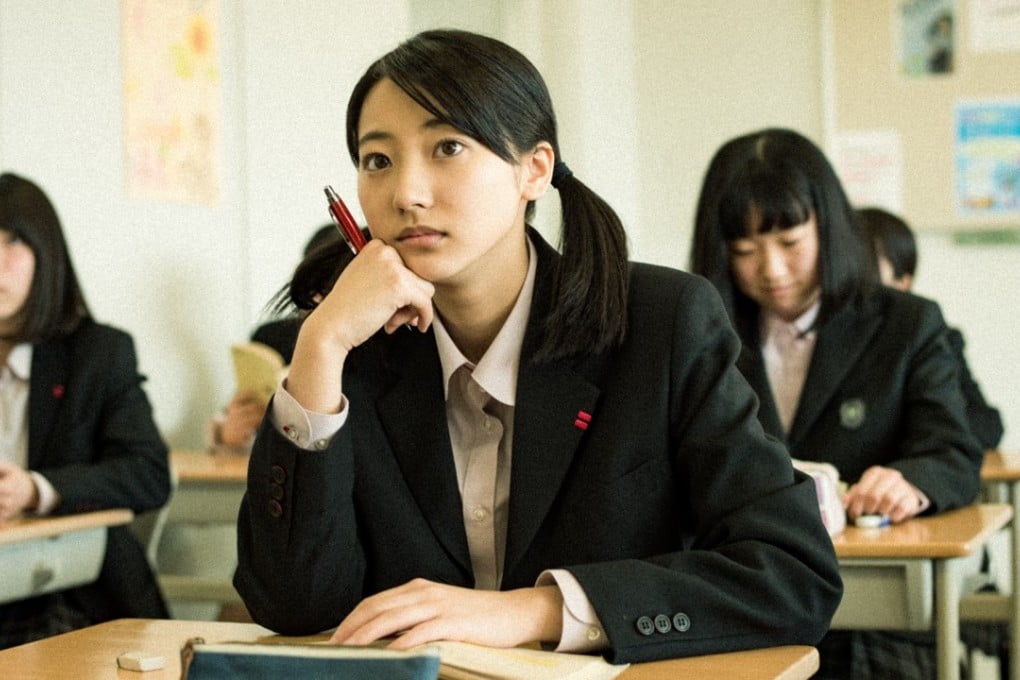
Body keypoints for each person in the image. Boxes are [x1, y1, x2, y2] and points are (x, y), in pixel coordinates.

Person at [233, 30, 842, 665]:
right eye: (377, 160)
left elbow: (792, 574)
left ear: (535, 170)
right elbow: (292, 605)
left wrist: (539, 609)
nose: (407, 193)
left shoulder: (663, 324)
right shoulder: (352, 348)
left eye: (448, 148)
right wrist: (321, 345)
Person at [689, 128, 984, 679]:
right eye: (745, 252)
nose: (772, 271)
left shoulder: (906, 323)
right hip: (746, 597)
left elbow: (952, 447)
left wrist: (909, 481)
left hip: (871, 611)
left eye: (791, 243)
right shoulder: (700, 332)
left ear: (830, 226)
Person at [0, 172, 171, 648]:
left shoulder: (98, 353)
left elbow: (147, 473)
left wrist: (35, 491)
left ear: (46, 254)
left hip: (73, 595)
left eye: (12, 242)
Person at [857, 206, 1004, 450]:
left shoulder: (933, 337)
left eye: (866, 266)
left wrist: (923, 433)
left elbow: (987, 424)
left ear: (903, 283)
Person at [207, 223, 343, 454]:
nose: (320, 299)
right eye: (314, 286)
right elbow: (233, 421)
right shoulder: (271, 337)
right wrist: (227, 435)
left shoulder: (387, 339)